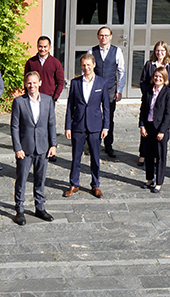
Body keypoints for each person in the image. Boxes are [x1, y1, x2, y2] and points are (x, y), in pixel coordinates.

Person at [10, 71, 58, 225]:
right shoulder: (19, 102)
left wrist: (53, 144)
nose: (32, 85)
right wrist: (17, 148)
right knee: (22, 180)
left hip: (43, 147)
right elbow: (14, 127)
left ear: (40, 83)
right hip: (25, 149)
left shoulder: (48, 100)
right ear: (25, 84)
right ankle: (20, 209)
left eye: (34, 82)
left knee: (40, 179)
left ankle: (40, 207)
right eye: (29, 83)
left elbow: (51, 123)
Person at [64, 54, 110, 199]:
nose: (86, 68)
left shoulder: (102, 82)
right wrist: (67, 126)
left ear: (94, 65)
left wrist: (106, 126)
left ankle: (95, 185)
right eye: (84, 65)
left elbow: (106, 107)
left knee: (95, 157)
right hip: (78, 125)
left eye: (88, 65)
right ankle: (74, 184)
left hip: (95, 125)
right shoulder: (75, 82)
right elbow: (70, 106)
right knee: (76, 157)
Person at [25, 36, 65, 163]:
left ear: (50, 47)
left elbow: (60, 82)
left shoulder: (55, 63)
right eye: (40, 46)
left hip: (48, 99)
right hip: (33, 99)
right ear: (37, 46)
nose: (42, 49)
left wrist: (55, 97)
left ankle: (51, 150)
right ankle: (35, 148)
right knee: (35, 124)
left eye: (45, 46)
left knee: (49, 125)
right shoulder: (31, 62)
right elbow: (26, 80)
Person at [88, 26, 126, 158]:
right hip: (95, 88)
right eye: (101, 35)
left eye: (106, 35)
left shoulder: (117, 51)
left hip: (110, 88)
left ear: (110, 37)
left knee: (109, 117)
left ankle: (108, 145)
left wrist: (119, 90)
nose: (103, 37)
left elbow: (121, 71)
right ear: (98, 36)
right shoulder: (92, 51)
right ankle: (93, 142)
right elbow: (86, 70)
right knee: (93, 115)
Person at [137, 41, 170, 166]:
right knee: (146, 128)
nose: (160, 53)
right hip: (150, 98)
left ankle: (155, 156)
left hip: (163, 101)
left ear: (166, 52)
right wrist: (148, 93)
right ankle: (143, 154)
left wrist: (163, 95)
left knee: (158, 127)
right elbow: (143, 81)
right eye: (157, 50)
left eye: (162, 51)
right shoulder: (149, 65)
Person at [139, 67, 170, 193]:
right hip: (148, 127)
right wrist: (142, 125)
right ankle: (149, 179)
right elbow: (143, 109)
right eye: (155, 76)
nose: (157, 78)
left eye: (160, 77)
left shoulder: (168, 92)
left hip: (160, 129)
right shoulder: (148, 90)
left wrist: (162, 131)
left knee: (160, 156)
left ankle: (159, 182)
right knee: (148, 155)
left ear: (164, 78)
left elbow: (168, 114)